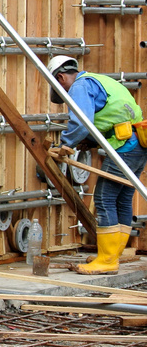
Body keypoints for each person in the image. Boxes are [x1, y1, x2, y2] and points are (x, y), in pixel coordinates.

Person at [48, 55, 146, 274]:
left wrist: (65, 143)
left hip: (124, 146)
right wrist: (89, 141)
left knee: (104, 198)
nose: (65, 97)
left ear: (61, 78)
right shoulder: (98, 80)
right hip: (137, 143)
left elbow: (81, 121)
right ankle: (111, 255)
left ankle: (107, 260)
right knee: (122, 197)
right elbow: (109, 117)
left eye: (61, 92)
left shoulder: (79, 86)